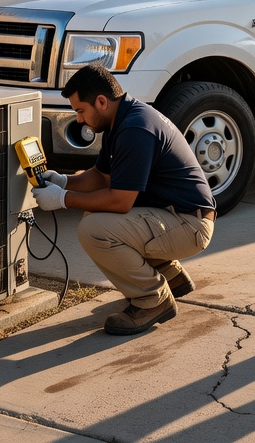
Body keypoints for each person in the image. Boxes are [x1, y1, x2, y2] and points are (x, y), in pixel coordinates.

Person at [32, 65, 216, 335]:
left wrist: (63, 199)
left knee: (95, 230)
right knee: (97, 219)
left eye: (80, 111)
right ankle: (171, 277)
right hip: (178, 216)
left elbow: (120, 202)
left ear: (102, 102)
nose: (79, 120)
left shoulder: (135, 129)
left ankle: (153, 300)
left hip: (189, 225)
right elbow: (100, 176)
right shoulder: (124, 118)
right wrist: (64, 181)